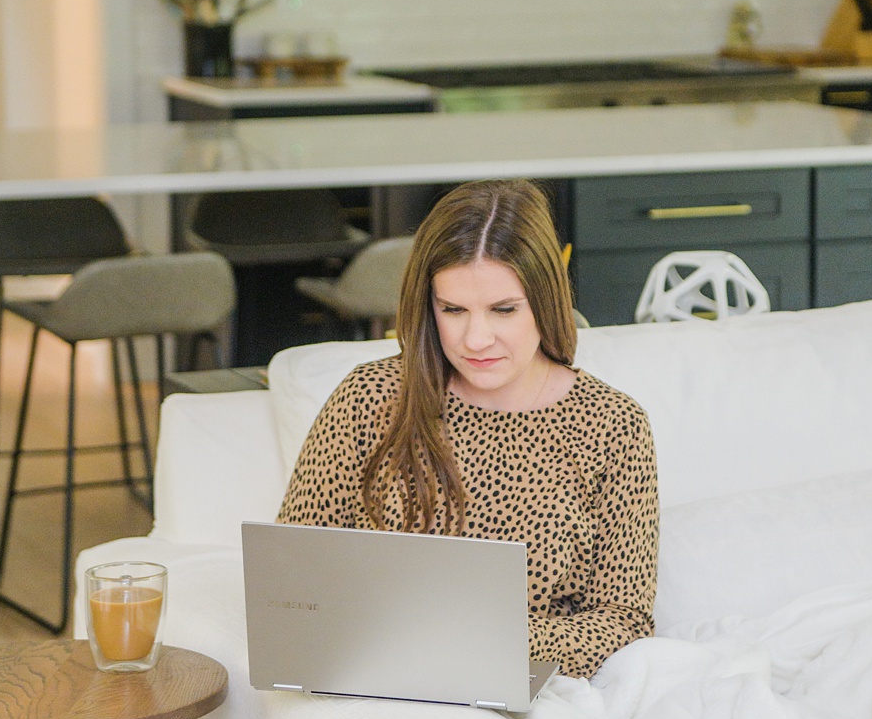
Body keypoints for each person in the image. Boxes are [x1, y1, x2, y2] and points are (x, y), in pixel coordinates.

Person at [276, 178, 659, 682]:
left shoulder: (614, 426)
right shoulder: (370, 398)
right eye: (452, 310)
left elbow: (626, 622)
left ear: (545, 300)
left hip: (539, 691)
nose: (476, 339)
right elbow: (291, 585)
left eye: (504, 309)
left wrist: (486, 636)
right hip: (380, 683)